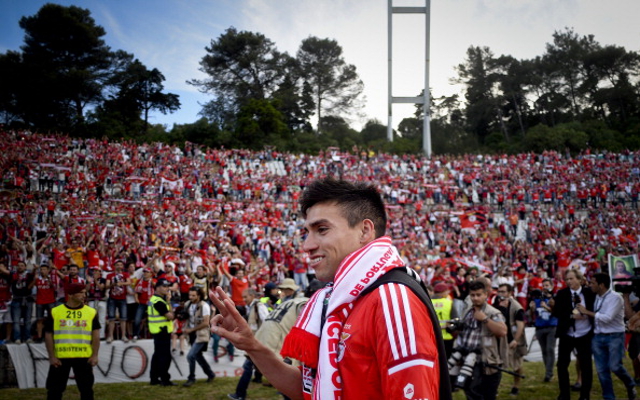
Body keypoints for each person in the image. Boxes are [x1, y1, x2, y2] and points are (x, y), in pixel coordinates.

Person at [211, 178, 448, 400]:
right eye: (307, 232)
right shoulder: (335, 299)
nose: (307, 245)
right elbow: (310, 391)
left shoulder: (391, 298)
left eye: (322, 229)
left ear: (365, 231)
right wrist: (251, 345)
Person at [575, 273, 636, 400]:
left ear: (601, 285)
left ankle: (630, 384)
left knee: (615, 366)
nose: (590, 285)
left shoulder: (615, 298)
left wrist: (587, 312)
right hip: (597, 337)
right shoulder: (596, 296)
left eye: (593, 283)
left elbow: (607, 318)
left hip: (615, 336)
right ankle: (609, 397)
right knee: (602, 370)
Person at [448, 280, 508, 400]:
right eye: (472, 295)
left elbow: (502, 331)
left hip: (486, 363)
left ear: (486, 294)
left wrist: (484, 319)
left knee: (485, 395)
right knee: (470, 393)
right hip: (467, 360)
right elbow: (465, 333)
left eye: (478, 295)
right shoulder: (468, 311)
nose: (475, 298)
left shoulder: (493, 312)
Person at [44, 282, 100, 400]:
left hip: (83, 356)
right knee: (54, 390)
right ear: (70, 294)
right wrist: (52, 356)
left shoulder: (91, 312)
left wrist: (94, 355)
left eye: (85, 293)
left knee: (87, 390)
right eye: (81, 293)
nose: (84, 295)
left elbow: (96, 335)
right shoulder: (55, 312)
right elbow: (48, 335)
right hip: (60, 357)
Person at [551, 268, 595, 400]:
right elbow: (557, 313)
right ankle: (564, 394)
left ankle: (585, 395)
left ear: (580, 279)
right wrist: (571, 316)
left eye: (571, 278)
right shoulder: (562, 293)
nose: (569, 281)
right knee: (562, 365)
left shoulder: (589, 293)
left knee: (586, 365)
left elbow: (595, 309)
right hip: (567, 334)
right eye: (567, 279)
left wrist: (586, 312)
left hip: (585, 334)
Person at [227, 288, 270, 400]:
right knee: (253, 366)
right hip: (256, 343)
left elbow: (267, 323)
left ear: (252, 295)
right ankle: (258, 380)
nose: (244, 299)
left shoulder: (259, 306)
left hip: (257, 343)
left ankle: (240, 394)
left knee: (247, 367)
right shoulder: (252, 307)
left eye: (245, 297)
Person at [494, 283, 527, 396]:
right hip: (501, 339)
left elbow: (520, 326)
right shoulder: (497, 303)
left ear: (510, 293)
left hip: (512, 339)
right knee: (497, 365)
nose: (500, 294)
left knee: (516, 365)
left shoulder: (516, 307)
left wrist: (515, 340)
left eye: (503, 292)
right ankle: (495, 388)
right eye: (499, 291)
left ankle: (516, 387)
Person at [182, 286, 216, 387]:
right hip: (192, 334)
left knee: (191, 356)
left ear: (199, 296)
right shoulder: (187, 304)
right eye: (189, 295)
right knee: (197, 356)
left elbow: (206, 323)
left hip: (201, 334)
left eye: (193, 295)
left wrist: (191, 329)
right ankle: (210, 374)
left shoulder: (204, 306)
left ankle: (191, 378)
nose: (191, 297)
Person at [529, 278, 558, 383]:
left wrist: (547, 307)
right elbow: (532, 316)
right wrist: (531, 309)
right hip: (540, 327)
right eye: (544, 285)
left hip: (552, 326)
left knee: (550, 349)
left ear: (552, 285)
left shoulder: (555, 298)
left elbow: (557, 313)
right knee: (544, 351)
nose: (545, 287)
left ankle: (548, 373)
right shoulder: (536, 299)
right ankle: (548, 371)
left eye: (547, 285)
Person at [148, 278, 176, 386]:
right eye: (164, 286)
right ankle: (165, 380)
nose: (167, 288)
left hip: (157, 331)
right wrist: (169, 302)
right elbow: (171, 317)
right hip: (162, 332)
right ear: (158, 288)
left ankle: (154, 379)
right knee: (165, 357)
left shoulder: (154, 299)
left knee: (157, 356)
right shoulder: (159, 302)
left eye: (167, 286)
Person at [432, 282, 458, 358]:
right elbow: (455, 321)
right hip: (446, 338)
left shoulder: (428, 302)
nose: (448, 293)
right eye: (447, 291)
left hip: (431, 338)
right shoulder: (449, 303)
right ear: (443, 292)